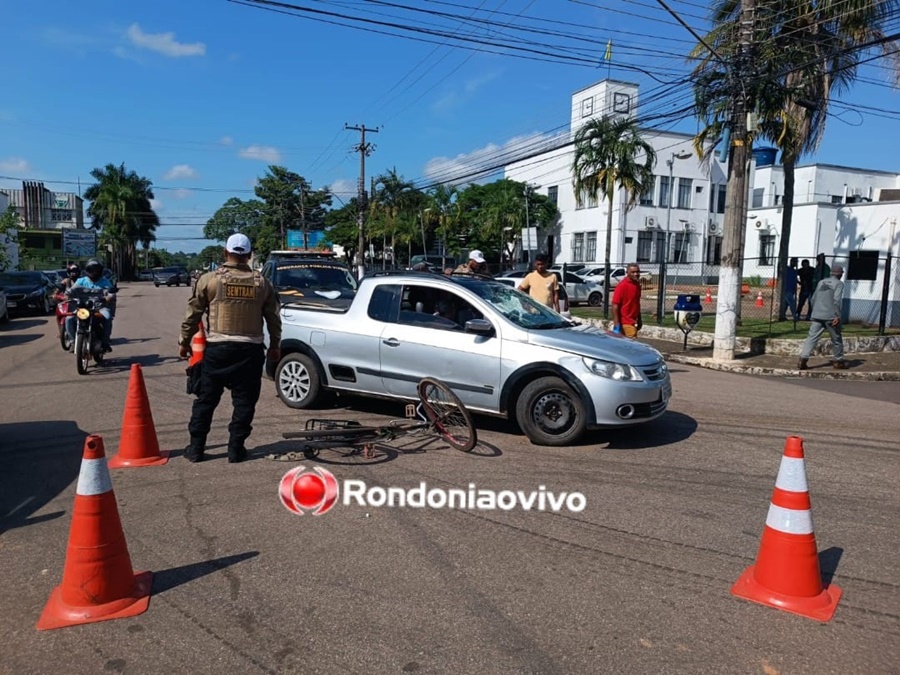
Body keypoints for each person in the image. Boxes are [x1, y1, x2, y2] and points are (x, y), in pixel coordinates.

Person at [179, 233, 282, 463]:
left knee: (206, 400)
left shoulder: (210, 280)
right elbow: (274, 318)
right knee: (244, 402)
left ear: (225, 254)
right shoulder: (262, 283)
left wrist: (184, 342)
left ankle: (196, 449)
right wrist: (275, 345)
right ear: (249, 255)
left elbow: (192, 314)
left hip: (218, 351)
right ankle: (236, 449)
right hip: (250, 352)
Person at [798, 264, 845, 371]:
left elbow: (813, 298)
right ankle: (838, 361)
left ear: (831, 273)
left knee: (811, 338)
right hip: (831, 316)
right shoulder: (839, 284)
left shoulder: (821, 282)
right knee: (837, 339)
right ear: (840, 274)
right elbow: (837, 301)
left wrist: (815, 310)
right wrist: (837, 315)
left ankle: (803, 359)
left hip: (817, 315)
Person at [65, 259, 115, 352]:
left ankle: (105, 343)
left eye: (96, 270)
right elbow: (71, 291)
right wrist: (67, 295)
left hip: (99, 308)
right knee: (69, 319)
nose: (94, 272)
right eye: (91, 270)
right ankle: (72, 342)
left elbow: (111, 293)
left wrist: (107, 297)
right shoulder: (80, 281)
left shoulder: (105, 282)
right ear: (87, 270)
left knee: (108, 318)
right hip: (82, 308)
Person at [611, 263, 644, 338]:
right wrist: (616, 325)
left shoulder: (637, 285)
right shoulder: (622, 286)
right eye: (633, 272)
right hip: (625, 323)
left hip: (632, 322)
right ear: (627, 273)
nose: (636, 274)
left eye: (637, 272)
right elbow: (615, 305)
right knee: (632, 348)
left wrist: (639, 319)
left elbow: (636, 303)